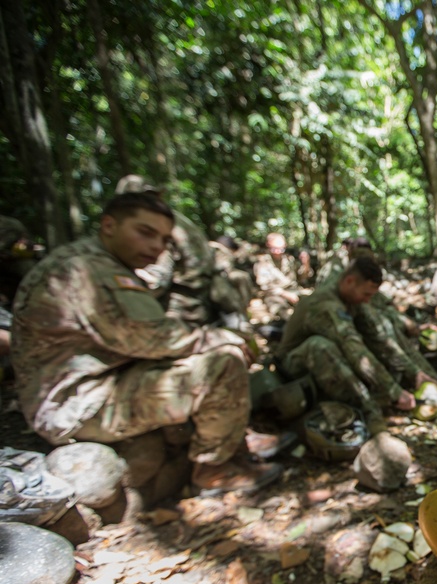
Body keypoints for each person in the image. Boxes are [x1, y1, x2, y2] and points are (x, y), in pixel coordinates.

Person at [12, 192, 282, 496]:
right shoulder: (88, 270)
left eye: (165, 240)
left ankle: (231, 442)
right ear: (109, 225)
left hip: (96, 383)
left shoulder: (96, 262)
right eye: (145, 233)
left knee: (213, 352)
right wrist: (223, 337)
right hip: (76, 403)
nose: (156, 247)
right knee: (223, 362)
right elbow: (156, 337)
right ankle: (213, 468)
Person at [275, 256, 418, 435]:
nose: (367, 300)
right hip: (293, 373)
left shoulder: (350, 295)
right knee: (320, 346)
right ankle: (368, 412)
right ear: (349, 281)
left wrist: (415, 373)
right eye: (366, 294)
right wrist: (394, 391)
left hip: (329, 366)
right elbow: (354, 349)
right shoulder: (326, 304)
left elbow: (377, 338)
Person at [115, 175, 247, 330]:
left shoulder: (159, 227)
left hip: (182, 312)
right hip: (205, 304)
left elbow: (156, 281)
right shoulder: (176, 221)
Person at [253, 232, 301, 321]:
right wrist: (284, 294)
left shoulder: (289, 260)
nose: (277, 252)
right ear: (268, 245)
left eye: (281, 249)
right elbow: (264, 286)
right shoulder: (263, 262)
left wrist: (306, 264)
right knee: (282, 310)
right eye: (274, 248)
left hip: (293, 291)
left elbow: (302, 277)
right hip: (274, 295)